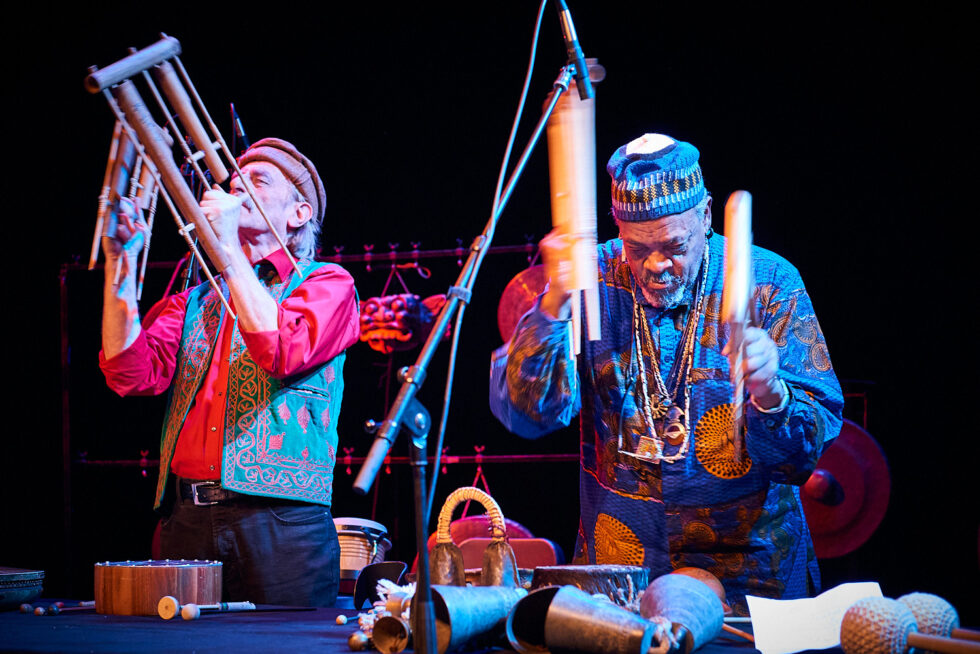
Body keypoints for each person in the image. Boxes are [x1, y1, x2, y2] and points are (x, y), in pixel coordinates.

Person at [490, 133, 842, 614]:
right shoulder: (591, 277)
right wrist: (553, 307)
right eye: (638, 249)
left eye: (675, 245)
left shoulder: (770, 282)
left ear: (706, 216)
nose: (656, 266)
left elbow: (802, 456)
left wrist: (768, 393)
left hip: (751, 581)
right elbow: (530, 416)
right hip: (621, 577)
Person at [100, 138, 360, 607]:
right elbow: (129, 372)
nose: (238, 189)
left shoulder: (328, 283)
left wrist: (227, 253)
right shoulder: (197, 299)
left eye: (258, 182)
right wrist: (121, 260)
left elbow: (281, 349)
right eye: (236, 182)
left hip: (282, 525)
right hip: (187, 519)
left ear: (298, 214)